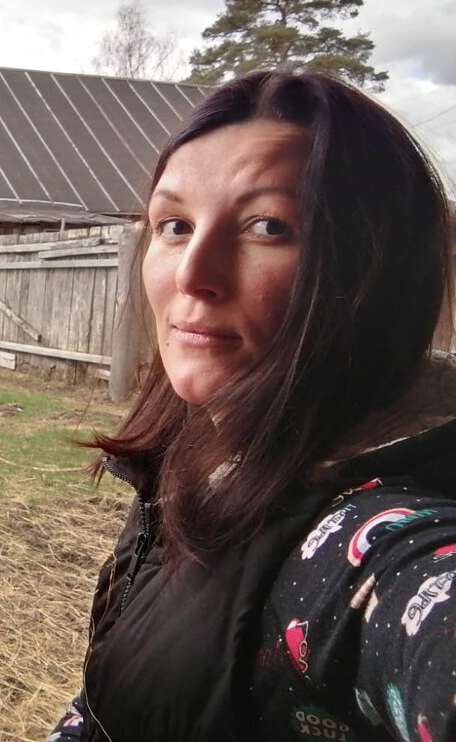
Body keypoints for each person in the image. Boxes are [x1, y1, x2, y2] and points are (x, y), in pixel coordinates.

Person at [48, 70, 456, 742]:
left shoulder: (366, 546)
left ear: (373, 270)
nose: (192, 272)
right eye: (173, 225)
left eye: (269, 226)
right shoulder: (196, 458)